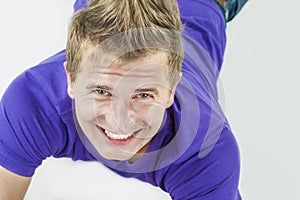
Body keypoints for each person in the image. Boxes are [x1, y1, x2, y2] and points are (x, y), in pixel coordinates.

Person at [0, 0, 248, 199]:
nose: (120, 121)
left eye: (143, 94)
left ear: (172, 88)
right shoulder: (34, 105)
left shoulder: (205, 150)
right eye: (101, 91)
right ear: (71, 80)